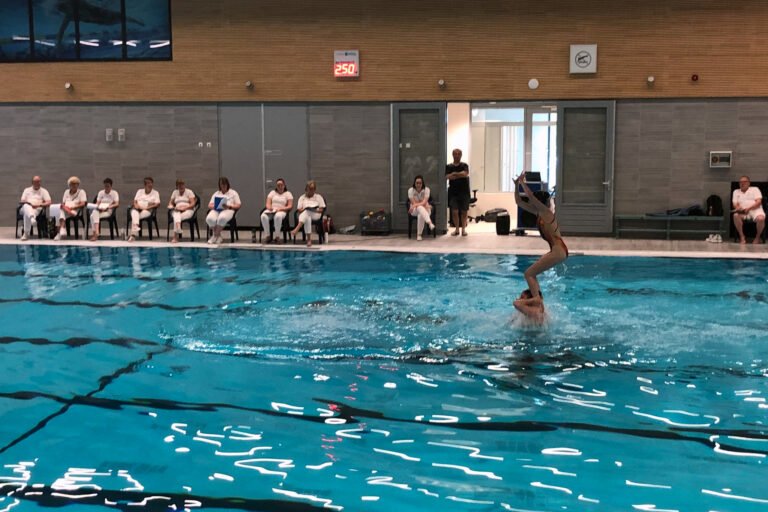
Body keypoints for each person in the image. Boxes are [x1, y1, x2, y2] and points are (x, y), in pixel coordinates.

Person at [513, 172, 568, 321]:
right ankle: (537, 301)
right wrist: (517, 186)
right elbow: (519, 201)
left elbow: (530, 197)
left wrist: (523, 182)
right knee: (531, 273)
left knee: (529, 273)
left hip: (559, 250)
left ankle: (537, 300)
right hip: (557, 251)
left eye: (536, 201)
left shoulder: (546, 212)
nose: (533, 203)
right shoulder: (539, 213)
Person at [206, 177, 241, 244]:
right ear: (220, 185)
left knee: (222, 218)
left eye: (225, 184)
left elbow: (238, 205)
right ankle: (218, 236)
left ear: (227, 184)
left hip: (228, 209)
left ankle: (214, 235)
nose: (223, 186)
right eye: (222, 184)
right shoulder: (216, 193)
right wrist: (215, 206)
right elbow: (209, 205)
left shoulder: (233, 193)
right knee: (209, 218)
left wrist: (229, 206)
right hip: (217, 210)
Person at [290, 180, 326, 247]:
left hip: (316, 214)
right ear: (306, 189)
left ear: (315, 189)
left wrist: (314, 210)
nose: (310, 190)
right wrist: (305, 209)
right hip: (305, 214)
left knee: (307, 212)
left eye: (312, 189)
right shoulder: (302, 197)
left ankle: (297, 228)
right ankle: (309, 240)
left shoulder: (318, 197)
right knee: (307, 217)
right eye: (309, 188)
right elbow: (299, 209)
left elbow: (321, 209)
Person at [732, 175, 765, 244]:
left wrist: (749, 208)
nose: (742, 183)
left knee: (761, 218)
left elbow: (759, 202)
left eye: (744, 182)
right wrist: (738, 208)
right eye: (740, 182)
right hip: (743, 212)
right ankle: (742, 236)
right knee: (735, 215)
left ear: (749, 183)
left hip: (755, 210)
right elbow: (735, 204)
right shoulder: (736, 191)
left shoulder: (755, 189)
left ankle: (757, 237)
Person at [446, 148, 471, 236]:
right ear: (453, 155)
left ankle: (463, 229)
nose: (457, 155)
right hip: (453, 192)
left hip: (464, 192)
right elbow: (448, 177)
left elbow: (465, 174)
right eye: (455, 154)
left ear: (461, 155)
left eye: (458, 154)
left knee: (464, 211)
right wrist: (459, 174)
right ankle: (457, 229)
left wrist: (454, 174)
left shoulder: (464, 165)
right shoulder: (449, 166)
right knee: (454, 211)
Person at [53, 176, 87, 241]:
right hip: (66, 210)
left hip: (75, 211)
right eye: (72, 183)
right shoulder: (66, 192)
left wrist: (74, 207)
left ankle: (60, 232)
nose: (74, 185)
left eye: (76, 183)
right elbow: (63, 202)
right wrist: (64, 206)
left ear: (78, 184)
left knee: (60, 213)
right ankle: (61, 230)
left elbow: (83, 203)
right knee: (58, 212)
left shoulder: (81, 192)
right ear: (69, 184)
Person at [261, 178, 293, 243]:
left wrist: (280, 209)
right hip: (272, 210)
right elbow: (268, 203)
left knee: (277, 216)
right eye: (278, 185)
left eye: (281, 185)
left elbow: (290, 206)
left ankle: (277, 236)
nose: (280, 186)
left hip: (282, 211)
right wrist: (269, 207)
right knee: (263, 216)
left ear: (284, 185)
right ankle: (268, 236)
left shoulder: (288, 193)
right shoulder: (272, 193)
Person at [128, 177, 160, 242]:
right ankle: (136, 227)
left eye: (151, 183)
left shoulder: (155, 193)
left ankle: (133, 235)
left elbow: (157, 204)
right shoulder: (139, 191)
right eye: (148, 183)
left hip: (147, 210)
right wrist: (137, 206)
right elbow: (135, 201)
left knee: (135, 217)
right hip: (138, 208)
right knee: (134, 212)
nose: (150, 184)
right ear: (145, 184)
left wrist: (146, 208)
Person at [19, 176, 52, 241]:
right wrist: (29, 204)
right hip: (25, 207)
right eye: (36, 182)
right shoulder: (27, 190)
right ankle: (32, 218)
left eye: (39, 181)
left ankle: (26, 234)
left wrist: (38, 205)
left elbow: (49, 202)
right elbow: (22, 201)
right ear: (32, 182)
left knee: (27, 214)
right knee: (26, 206)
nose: (37, 183)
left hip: (37, 209)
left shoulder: (44, 191)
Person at [168, 178, 196, 243]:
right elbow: (170, 203)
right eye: (179, 185)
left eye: (182, 185)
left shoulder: (189, 192)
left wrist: (184, 208)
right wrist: (173, 207)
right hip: (177, 210)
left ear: (184, 185)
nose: (181, 187)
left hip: (188, 210)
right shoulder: (175, 192)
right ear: (177, 186)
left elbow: (193, 204)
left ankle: (175, 237)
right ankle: (178, 228)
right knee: (176, 214)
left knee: (176, 218)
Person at [408, 174, 435, 241]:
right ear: (414, 183)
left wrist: (416, 205)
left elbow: (424, 202)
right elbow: (414, 203)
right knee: (420, 208)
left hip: (426, 209)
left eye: (420, 183)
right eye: (417, 183)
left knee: (421, 214)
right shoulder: (410, 190)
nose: (418, 184)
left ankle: (419, 235)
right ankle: (430, 223)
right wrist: (415, 205)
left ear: (422, 183)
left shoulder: (427, 189)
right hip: (414, 210)